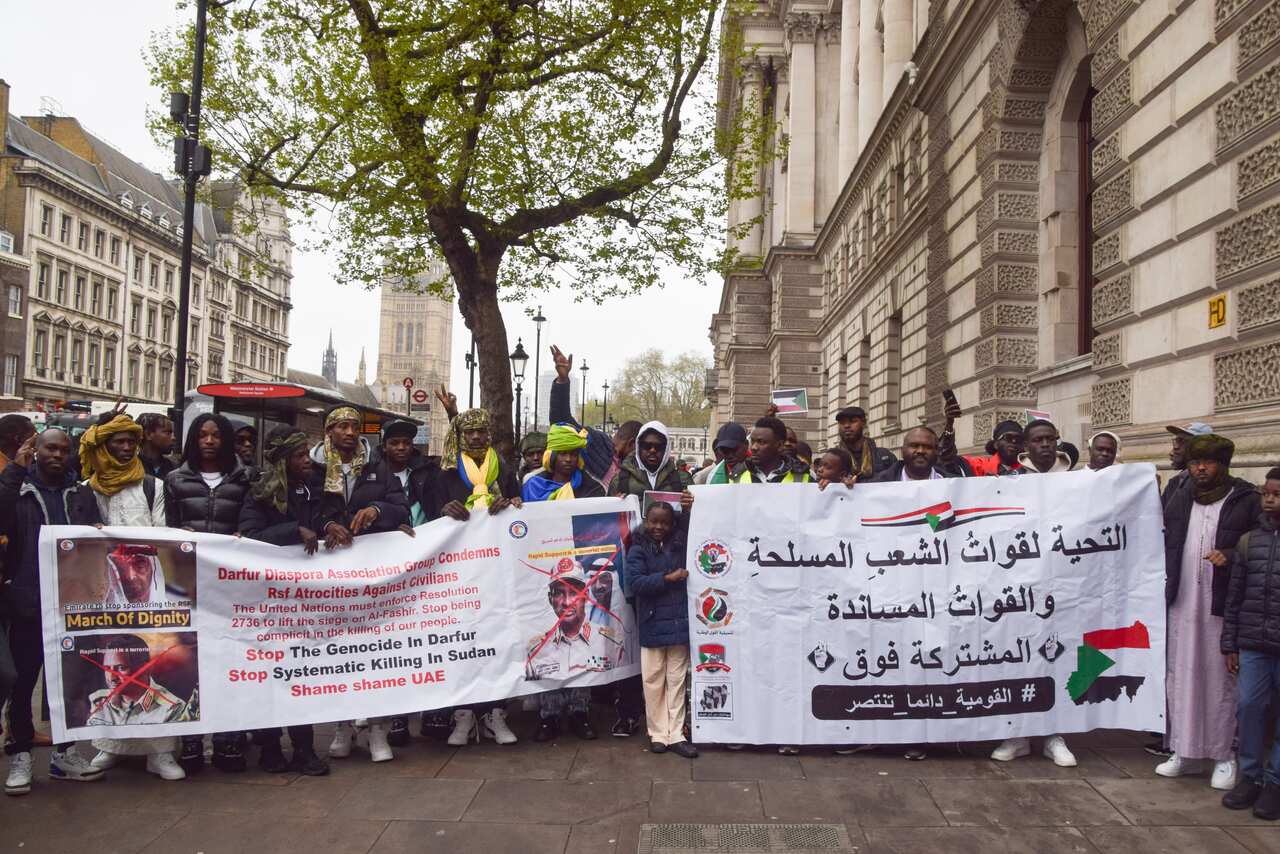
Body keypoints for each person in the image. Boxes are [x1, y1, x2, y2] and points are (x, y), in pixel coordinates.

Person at [75, 414, 184, 780]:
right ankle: (109, 747)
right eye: (116, 442)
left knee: (147, 664)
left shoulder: (152, 486)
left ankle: (162, 753)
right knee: (111, 664)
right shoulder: (87, 488)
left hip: (147, 587)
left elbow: (162, 536)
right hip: (107, 592)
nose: (124, 449)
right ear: (104, 447)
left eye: (129, 442)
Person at [0, 429, 108, 795]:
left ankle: (65, 754)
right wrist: (14, 471)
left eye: (64, 449)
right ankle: (21, 755)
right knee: (23, 681)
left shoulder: (81, 493)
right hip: (27, 603)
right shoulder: (18, 490)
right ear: (35, 450)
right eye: (50, 448)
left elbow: (93, 542)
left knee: (67, 684)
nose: (57, 455)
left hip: (70, 603)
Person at [1159, 433, 1259, 790]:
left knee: (1220, 680)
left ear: (1223, 464)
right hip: (1182, 600)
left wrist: (1231, 556)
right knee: (1180, 674)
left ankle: (1223, 756)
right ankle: (1183, 751)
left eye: (1208, 462)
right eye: (1194, 463)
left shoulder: (1245, 499)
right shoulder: (1180, 493)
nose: (1200, 469)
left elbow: (1260, 544)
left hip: (1221, 604)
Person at [312, 406, 411, 763]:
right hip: (332, 577)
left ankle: (378, 730)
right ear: (330, 431)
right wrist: (326, 525)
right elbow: (302, 512)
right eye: (342, 426)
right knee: (338, 653)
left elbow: (402, 507)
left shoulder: (377, 466)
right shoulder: (314, 466)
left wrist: (378, 511)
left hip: (372, 575)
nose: (350, 432)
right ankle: (342, 726)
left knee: (376, 651)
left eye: (354, 426)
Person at [238, 427, 330, 775]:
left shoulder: (317, 485)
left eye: (308, 454)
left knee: (302, 674)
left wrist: (330, 524)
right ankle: (270, 748)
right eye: (299, 456)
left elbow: (324, 517)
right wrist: (293, 530)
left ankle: (304, 749)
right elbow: (249, 535)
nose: (307, 461)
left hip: (306, 598)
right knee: (268, 676)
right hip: (269, 598)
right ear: (283, 461)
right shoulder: (260, 493)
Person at [165, 413, 253, 773]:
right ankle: (190, 741)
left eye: (216, 435)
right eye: (202, 434)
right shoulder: (174, 480)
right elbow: (166, 531)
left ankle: (228, 741)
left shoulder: (246, 478)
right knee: (187, 663)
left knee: (229, 660)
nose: (209, 441)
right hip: (186, 584)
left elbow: (252, 523)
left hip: (230, 585)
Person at [432, 408, 521, 747]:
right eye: (469, 433)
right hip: (461, 571)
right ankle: (465, 715)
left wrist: (512, 502)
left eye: (481, 432)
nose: (476, 438)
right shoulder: (445, 473)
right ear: (460, 436)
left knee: (497, 640)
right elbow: (431, 513)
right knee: (464, 642)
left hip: (497, 568)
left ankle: (495, 712)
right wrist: (444, 509)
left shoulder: (505, 469)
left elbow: (519, 507)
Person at [522, 424, 611, 740]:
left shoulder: (593, 488)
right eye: (564, 454)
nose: (569, 460)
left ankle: (579, 712)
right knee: (549, 645)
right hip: (543, 573)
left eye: (575, 454)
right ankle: (548, 715)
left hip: (578, 571)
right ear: (552, 455)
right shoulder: (531, 486)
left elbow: (602, 524)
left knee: (581, 647)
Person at [606, 420, 691, 738]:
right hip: (634, 561)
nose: (652, 451)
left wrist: (690, 507)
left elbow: (689, 520)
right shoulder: (623, 476)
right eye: (646, 446)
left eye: (658, 446)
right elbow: (607, 515)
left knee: (671, 649)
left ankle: (676, 720)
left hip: (670, 564)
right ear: (638, 447)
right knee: (631, 643)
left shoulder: (680, 475)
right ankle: (628, 713)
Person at [1221, 467, 1280, 818]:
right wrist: (1230, 644)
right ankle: (1251, 777)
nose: (1269, 499)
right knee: (1249, 708)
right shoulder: (1249, 540)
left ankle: (1275, 782)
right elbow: (1235, 596)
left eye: (1277, 494)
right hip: (1254, 643)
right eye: (1266, 493)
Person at [377, 418, 439, 745]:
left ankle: (430, 709)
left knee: (424, 640)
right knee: (393, 642)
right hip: (387, 567)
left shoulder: (426, 472)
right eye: (394, 443)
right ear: (384, 445)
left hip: (425, 565)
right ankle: (397, 716)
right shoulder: (372, 472)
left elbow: (438, 508)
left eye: (406, 443)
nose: (401, 448)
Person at [626, 501, 695, 758]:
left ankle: (676, 734)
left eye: (665, 522)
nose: (658, 527)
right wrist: (667, 579)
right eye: (654, 521)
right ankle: (657, 733)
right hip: (652, 622)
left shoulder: (681, 543)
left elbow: (696, 526)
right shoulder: (637, 548)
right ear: (645, 520)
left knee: (677, 681)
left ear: (672, 523)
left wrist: (690, 508)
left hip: (678, 621)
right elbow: (635, 582)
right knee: (653, 681)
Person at [548, 345, 643, 487]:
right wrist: (562, 381)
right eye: (639, 449)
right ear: (631, 443)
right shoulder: (596, 442)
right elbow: (561, 422)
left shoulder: (631, 468)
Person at [85, 636, 192, 726]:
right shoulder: (98, 700)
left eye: (121, 668)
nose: (112, 677)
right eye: (107, 668)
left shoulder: (172, 708)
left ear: (145, 669)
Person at [870, 426, 969, 483]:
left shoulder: (956, 486)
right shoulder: (877, 484)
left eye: (928, 447)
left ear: (937, 452)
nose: (920, 451)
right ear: (902, 451)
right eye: (914, 445)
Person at [1164, 422, 1215, 509]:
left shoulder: (1207, 484)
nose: (1174, 449)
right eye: (1176, 441)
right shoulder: (1174, 482)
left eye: (1182, 441)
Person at [834, 406, 895, 479]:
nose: (847, 426)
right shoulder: (832, 459)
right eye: (842, 422)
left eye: (852, 421)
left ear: (864, 423)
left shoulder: (884, 457)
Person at [136, 412, 176, 479]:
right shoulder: (131, 469)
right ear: (148, 434)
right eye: (168, 432)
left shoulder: (175, 468)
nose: (173, 438)